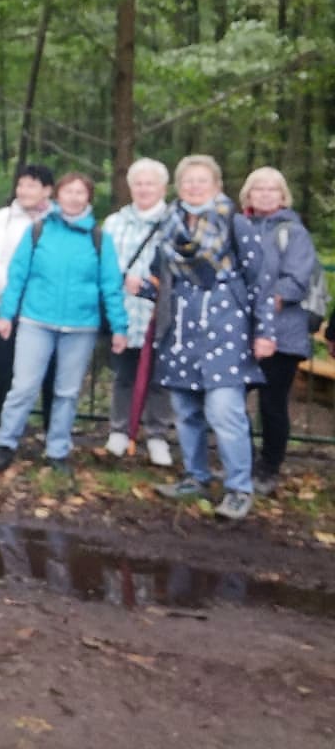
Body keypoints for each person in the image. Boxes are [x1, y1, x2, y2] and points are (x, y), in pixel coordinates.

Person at [136, 155, 276, 522]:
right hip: (181, 332)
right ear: (178, 186)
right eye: (188, 181)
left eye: (202, 181)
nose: (194, 187)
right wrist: (142, 289)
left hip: (226, 331)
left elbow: (260, 280)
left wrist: (265, 331)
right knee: (186, 412)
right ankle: (196, 477)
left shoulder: (235, 223)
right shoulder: (169, 225)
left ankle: (238, 488)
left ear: (216, 186)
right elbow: (162, 282)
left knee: (224, 412)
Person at [0, 172, 129, 474]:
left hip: (81, 327)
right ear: (57, 196)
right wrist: (6, 315)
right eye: (68, 191)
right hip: (36, 321)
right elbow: (18, 276)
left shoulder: (100, 239)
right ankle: (6, 444)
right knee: (23, 387)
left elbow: (111, 286)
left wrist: (119, 328)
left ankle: (58, 450)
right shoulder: (38, 231)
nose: (73, 198)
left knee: (66, 392)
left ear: (88, 198)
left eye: (80, 192)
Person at [239, 166, 320, 497]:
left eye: (271, 189)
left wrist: (260, 304)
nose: (264, 194)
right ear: (248, 194)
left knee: (272, 405)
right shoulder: (239, 227)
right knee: (230, 400)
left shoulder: (294, 232)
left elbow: (296, 282)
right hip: (240, 331)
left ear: (283, 195)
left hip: (282, 333)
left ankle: (269, 468)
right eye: (258, 188)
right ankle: (243, 461)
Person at [101, 157, 175, 465]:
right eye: (139, 184)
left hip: (161, 314)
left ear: (163, 188)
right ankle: (119, 430)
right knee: (124, 375)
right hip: (124, 313)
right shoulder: (114, 223)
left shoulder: (175, 223)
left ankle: (157, 435)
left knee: (160, 379)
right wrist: (122, 279)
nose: (144, 189)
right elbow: (102, 264)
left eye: (150, 184)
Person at [0, 164, 57, 445]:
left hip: (48, 306)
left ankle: (52, 426)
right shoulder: (3, 218)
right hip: (7, 303)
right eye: (21, 184)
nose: (23, 191)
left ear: (47, 190)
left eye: (31, 185)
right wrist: (13, 296)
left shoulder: (58, 219)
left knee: (51, 366)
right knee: (5, 362)